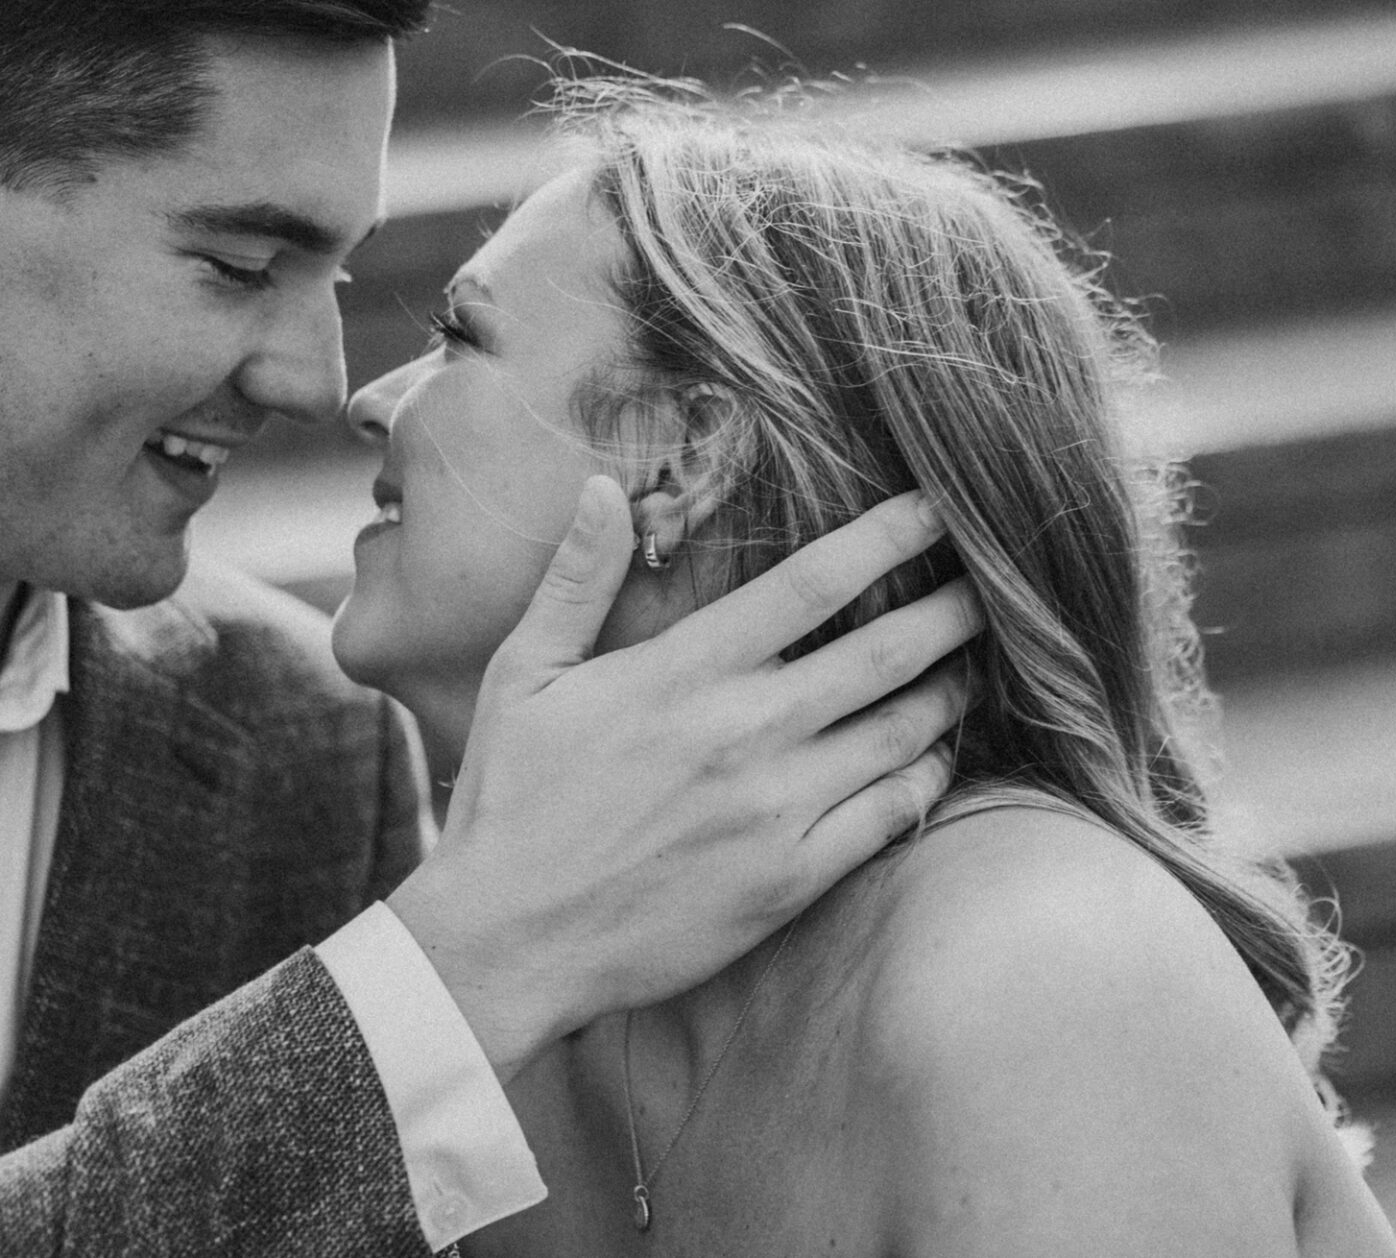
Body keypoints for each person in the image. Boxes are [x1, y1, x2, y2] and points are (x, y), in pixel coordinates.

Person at [330, 78, 1396, 1257]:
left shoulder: (1045, 971)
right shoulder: (526, 1005)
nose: (369, 401)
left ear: (681, 458)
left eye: (460, 337)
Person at [0, 3, 977, 1252]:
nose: (320, 383)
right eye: (239, 264)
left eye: (336, 279)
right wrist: (452, 982)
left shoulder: (308, 748)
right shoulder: (473, 914)